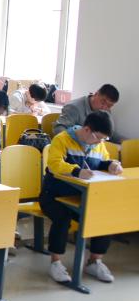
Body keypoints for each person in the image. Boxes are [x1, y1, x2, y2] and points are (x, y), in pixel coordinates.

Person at [41, 111, 122, 285]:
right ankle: (55, 263)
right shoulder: (62, 139)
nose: (100, 142)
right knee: (62, 218)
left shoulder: (98, 145)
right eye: (98, 138)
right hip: (53, 195)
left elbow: (102, 162)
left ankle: (94, 261)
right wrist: (77, 171)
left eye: (104, 139)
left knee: (104, 215)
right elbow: (54, 164)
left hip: (81, 197)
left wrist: (112, 165)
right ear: (87, 130)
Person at [54, 84, 118, 137]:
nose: (104, 108)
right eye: (103, 102)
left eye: (109, 106)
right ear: (96, 94)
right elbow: (59, 129)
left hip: (94, 146)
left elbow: (108, 132)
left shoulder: (106, 111)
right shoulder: (74, 107)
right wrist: (78, 141)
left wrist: (122, 141)